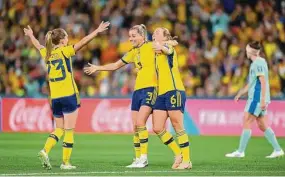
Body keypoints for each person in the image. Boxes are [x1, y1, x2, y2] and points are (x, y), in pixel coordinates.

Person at [84, 24, 176, 168]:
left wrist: (170, 42)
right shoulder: (133, 52)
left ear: (142, 36)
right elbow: (115, 65)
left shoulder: (151, 46)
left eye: (133, 36)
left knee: (141, 122)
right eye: (129, 36)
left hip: (151, 89)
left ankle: (144, 158)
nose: (130, 39)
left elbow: (169, 45)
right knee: (135, 127)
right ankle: (138, 157)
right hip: (137, 91)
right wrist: (97, 68)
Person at [23, 21, 110, 170]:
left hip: (55, 98)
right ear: (62, 40)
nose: (68, 39)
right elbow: (83, 42)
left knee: (59, 129)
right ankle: (66, 162)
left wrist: (31, 35)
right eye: (67, 37)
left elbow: (38, 45)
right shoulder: (65, 51)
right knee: (69, 131)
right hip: (69, 95)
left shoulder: (47, 54)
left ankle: (45, 150)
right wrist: (97, 31)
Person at [225, 41, 284, 158]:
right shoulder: (258, 63)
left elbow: (262, 82)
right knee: (262, 125)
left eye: (247, 49)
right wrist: (240, 93)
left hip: (256, 98)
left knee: (246, 120)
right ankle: (278, 150)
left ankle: (240, 151)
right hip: (259, 98)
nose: (246, 52)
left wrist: (262, 100)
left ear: (251, 51)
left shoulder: (257, 63)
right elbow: (252, 82)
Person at [151, 27, 192, 169]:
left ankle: (186, 160)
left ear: (165, 37)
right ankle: (178, 153)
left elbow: (168, 49)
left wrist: (166, 43)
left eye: (157, 32)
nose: (153, 34)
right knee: (157, 127)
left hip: (174, 90)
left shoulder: (168, 47)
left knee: (177, 125)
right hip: (161, 93)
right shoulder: (155, 51)